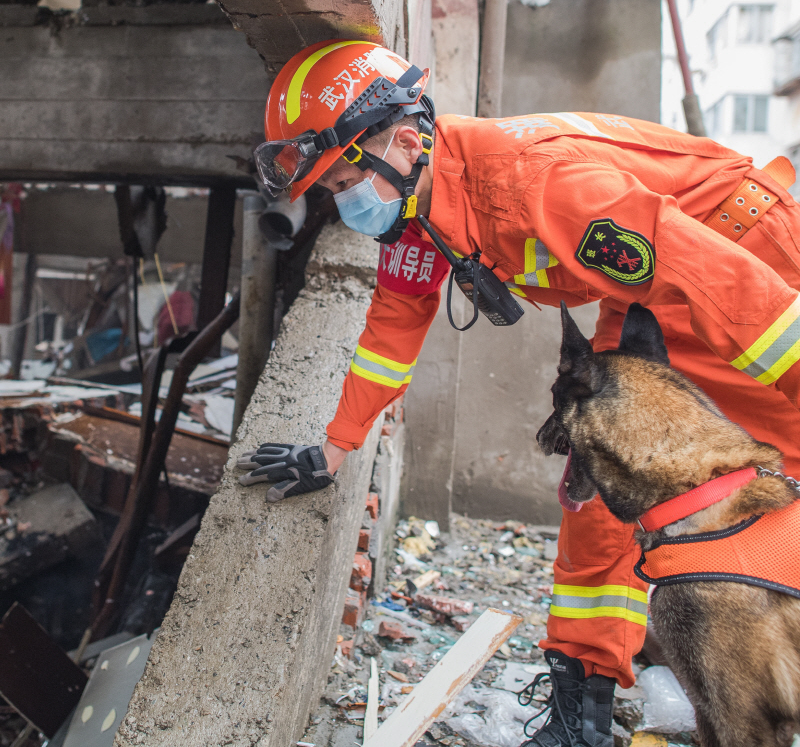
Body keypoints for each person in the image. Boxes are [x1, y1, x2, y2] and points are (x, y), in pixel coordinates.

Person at [236, 40, 800, 747]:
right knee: (603, 484)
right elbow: (389, 336)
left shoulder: (539, 186)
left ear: (407, 142)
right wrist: (333, 447)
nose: (336, 199)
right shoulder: (418, 210)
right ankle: (582, 710)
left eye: (341, 177)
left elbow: (724, 284)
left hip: (740, 256)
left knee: (780, 484)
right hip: (651, 288)